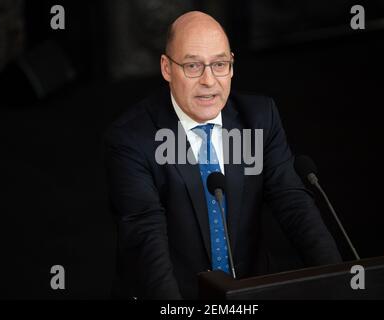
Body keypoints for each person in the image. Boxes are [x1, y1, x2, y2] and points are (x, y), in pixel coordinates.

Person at [104, 11, 341, 300]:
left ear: (231, 65)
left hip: (248, 294)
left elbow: (293, 203)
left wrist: (338, 281)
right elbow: (145, 236)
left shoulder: (259, 117)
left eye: (219, 64)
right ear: (167, 68)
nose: (209, 80)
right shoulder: (132, 137)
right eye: (193, 66)